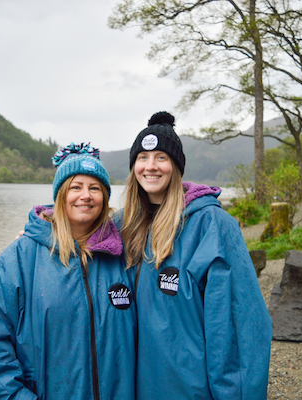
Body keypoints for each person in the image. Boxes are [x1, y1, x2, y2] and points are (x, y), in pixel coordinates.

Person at [0, 143, 136, 400]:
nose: (85, 195)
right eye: (75, 187)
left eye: (95, 188)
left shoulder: (125, 254)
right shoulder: (21, 258)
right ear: (60, 195)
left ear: (105, 197)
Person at [119, 111, 272, 400]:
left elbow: (240, 324)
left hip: (190, 389)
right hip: (135, 386)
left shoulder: (211, 226)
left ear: (176, 166)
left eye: (161, 157)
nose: (151, 166)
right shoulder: (123, 226)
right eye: (143, 158)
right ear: (133, 166)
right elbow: (78, 223)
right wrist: (43, 226)